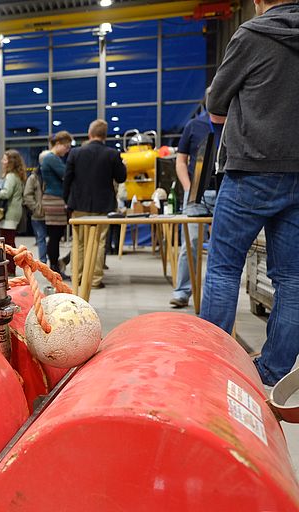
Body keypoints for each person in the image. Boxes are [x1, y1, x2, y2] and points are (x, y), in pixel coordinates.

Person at [200, 0, 299, 388]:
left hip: (251, 170)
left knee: (224, 267)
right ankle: (274, 372)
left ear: (258, 2)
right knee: (292, 278)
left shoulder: (252, 34)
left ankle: (212, 366)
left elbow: (216, 105)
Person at [169, 91, 223, 308]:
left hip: (224, 192)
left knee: (221, 246)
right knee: (190, 243)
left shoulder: (233, 125)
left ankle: (214, 297)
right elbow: (181, 161)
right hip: (195, 194)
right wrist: (189, 187)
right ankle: (182, 291)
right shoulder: (194, 126)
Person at [63, 119, 127, 289]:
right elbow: (121, 178)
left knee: (79, 243)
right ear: (105, 136)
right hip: (104, 206)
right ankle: (95, 280)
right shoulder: (112, 154)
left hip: (79, 204)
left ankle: (78, 277)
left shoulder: (75, 153)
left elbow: (67, 180)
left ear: (90, 134)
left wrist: (67, 202)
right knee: (99, 243)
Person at [30, 131, 73, 276]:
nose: (67, 150)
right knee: (55, 236)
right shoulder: (51, 158)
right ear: (59, 144)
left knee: (55, 235)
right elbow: (66, 174)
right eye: (66, 147)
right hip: (54, 200)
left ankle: (54, 266)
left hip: (53, 199)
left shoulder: (51, 158)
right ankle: (54, 268)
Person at [0, 150, 27, 275]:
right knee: (10, 241)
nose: (2, 161)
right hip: (15, 213)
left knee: (7, 244)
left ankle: (9, 270)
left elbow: (6, 193)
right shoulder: (17, 176)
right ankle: (11, 268)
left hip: (9, 213)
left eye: (4, 159)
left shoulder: (10, 176)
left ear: (10, 162)